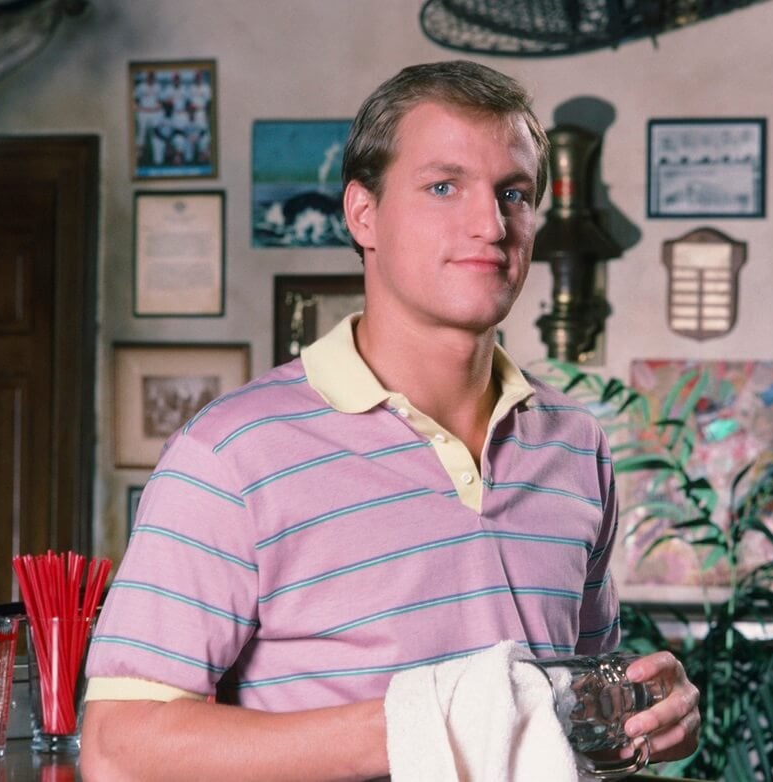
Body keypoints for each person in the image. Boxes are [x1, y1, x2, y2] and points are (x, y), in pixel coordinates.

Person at [80, 59, 701, 781]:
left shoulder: (576, 446)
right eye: (444, 186)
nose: (490, 224)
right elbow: (119, 749)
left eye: (514, 192)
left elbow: (573, 703)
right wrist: (433, 725)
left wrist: (655, 719)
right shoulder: (230, 454)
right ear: (362, 214)